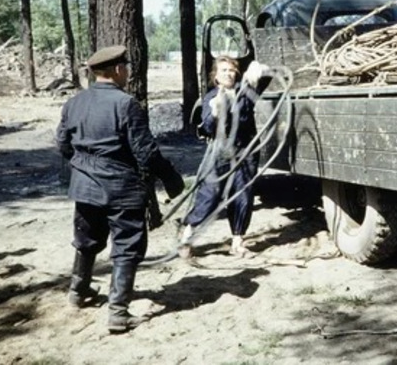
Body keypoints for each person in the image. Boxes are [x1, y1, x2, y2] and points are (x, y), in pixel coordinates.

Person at [55, 45, 185, 334]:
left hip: (85, 189)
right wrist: (171, 178)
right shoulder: (126, 104)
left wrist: (84, 167)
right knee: (127, 247)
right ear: (116, 70)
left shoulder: (73, 103)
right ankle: (118, 314)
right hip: (121, 189)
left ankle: (78, 292)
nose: (127, 71)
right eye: (125, 66)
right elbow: (146, 152)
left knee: (87, 240)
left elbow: (62, 144)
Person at [178, 56, 268, 259]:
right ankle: (187, 236)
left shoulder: (246, 92)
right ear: (216, 76)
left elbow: (267, 78)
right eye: (224, 70)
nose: (228, 73)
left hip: (245, 152)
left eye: (232, 70)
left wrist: (259, 69)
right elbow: (207, 126)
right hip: (219, 154)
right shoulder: (211, 98)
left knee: (243, 196)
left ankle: (237, 242)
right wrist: (216, 113)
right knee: (209, 196)